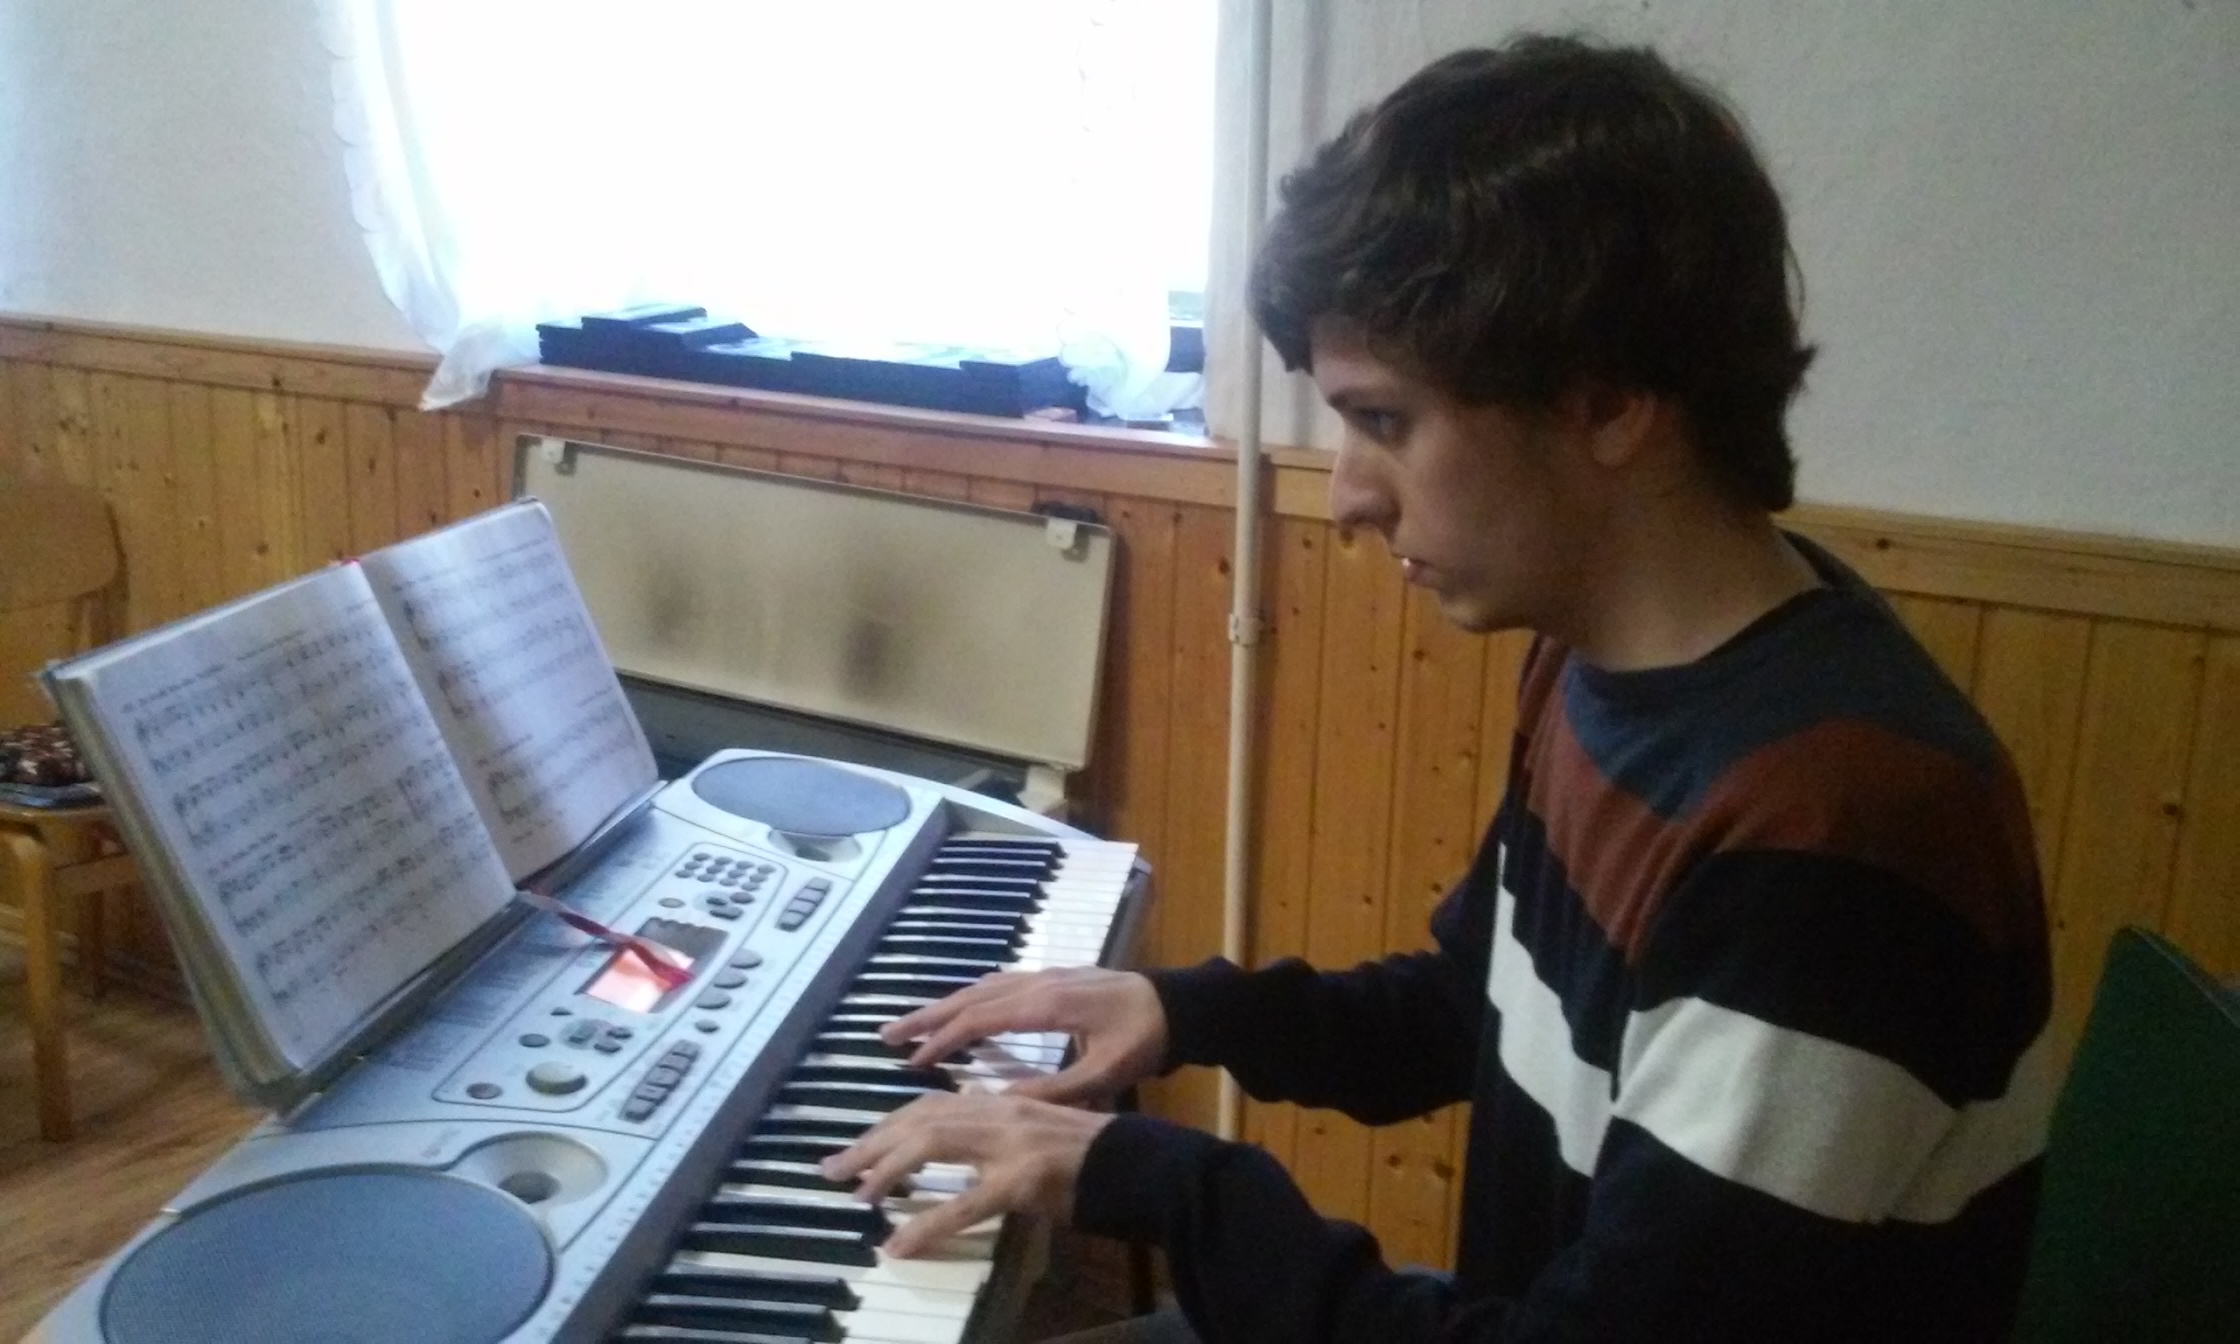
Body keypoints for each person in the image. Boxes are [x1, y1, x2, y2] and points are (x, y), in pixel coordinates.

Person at [824, 34, 2054, 1343]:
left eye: (1385, 421)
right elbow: (1467, 1007)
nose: (1350, 496)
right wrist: (1183, 1010)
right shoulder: (1602, 660)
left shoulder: (1834, 829)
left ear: (1610, 404)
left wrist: (1170, 1182)